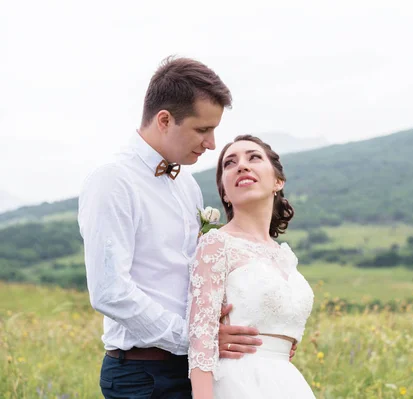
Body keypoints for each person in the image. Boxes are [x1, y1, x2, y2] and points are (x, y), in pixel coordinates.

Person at [78, 56, 263, 398]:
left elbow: (195, 277)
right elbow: (109, 291)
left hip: (194, 365)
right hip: (143, 373)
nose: (211, 143)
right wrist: (195, 336)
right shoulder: (113, 181)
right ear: (164, 119)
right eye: (202, 129)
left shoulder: (187, 185)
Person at [187, 135, 316, 398]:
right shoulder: (216, 244)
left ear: (278, 181)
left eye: (253, 157)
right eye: (230, 163)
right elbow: (200, 343)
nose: (242, 166)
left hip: (287, 384)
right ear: (224, 191)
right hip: (238, 383)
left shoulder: (284, 256)